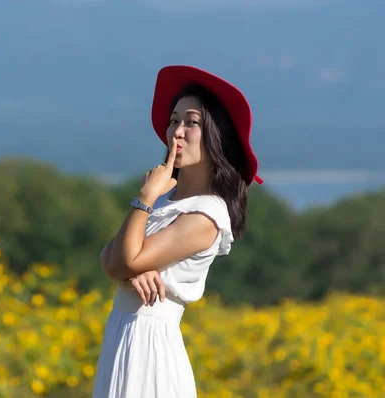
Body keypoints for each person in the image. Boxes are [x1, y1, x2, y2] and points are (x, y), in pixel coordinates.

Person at [92, 65, 263, 398]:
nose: (177, 132)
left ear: (217, 135)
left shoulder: (206, 214)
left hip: (148, 346)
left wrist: (143, 198)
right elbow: (110, 258)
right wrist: (129, 272)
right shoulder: (166, 199)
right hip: (124, 335)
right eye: (174, 120)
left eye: (192, 122)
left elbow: (118, 261)